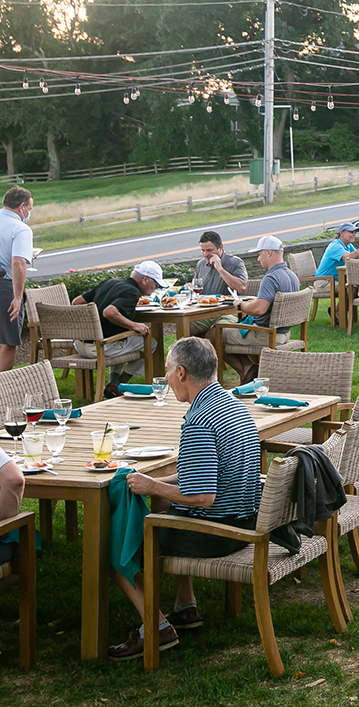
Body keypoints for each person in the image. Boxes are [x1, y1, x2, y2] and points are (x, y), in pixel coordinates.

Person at [108, 336, 261, 660]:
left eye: (166, 371)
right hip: (245, 520)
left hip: (218, 535)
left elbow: (202, 496)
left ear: (181, 373)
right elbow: (203, 473)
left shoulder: (199, 422)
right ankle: (185, 605)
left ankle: (156, 626)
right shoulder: (231, 405)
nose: (164, 378)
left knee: (120, 548)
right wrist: (155, 482)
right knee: (166, 503)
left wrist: (151, 488)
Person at [73, 260, 161, 395]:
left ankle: (113, 385)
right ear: (145, 279)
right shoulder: (132, 292)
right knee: (150, 343)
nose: (155, 288)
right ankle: (118, 383)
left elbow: (76, 302)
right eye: (155, 284)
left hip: (80, 344)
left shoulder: (109, 283)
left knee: (123, 341)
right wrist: (134, 325)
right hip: (100, 347)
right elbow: (109, 312)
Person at [219, 236, 299, 383]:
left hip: (266, 333)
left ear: (269, 253)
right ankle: (249, 370)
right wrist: (253, 302)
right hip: (284, 332)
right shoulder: (292, 276)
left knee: (214, 334)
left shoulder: (270, 278)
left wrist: (240, 305)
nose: (258, 259)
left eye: (259, 254)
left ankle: (247, 370)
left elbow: (260, 309)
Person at [0, 186, 36, 371]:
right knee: (8, 342)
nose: (28, 213)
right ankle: (3, 390)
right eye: (29, 209)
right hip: (4, 285)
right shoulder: (20, 229)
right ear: (21, 207)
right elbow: (18, 263)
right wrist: (17, 296)